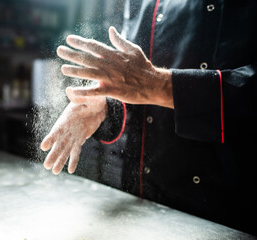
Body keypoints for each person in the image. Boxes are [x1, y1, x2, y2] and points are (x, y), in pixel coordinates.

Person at [40, 0, 257, 236]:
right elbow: (131, 83)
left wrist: (159, 86)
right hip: (142, 202)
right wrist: (104, 103)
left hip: (225, 212)